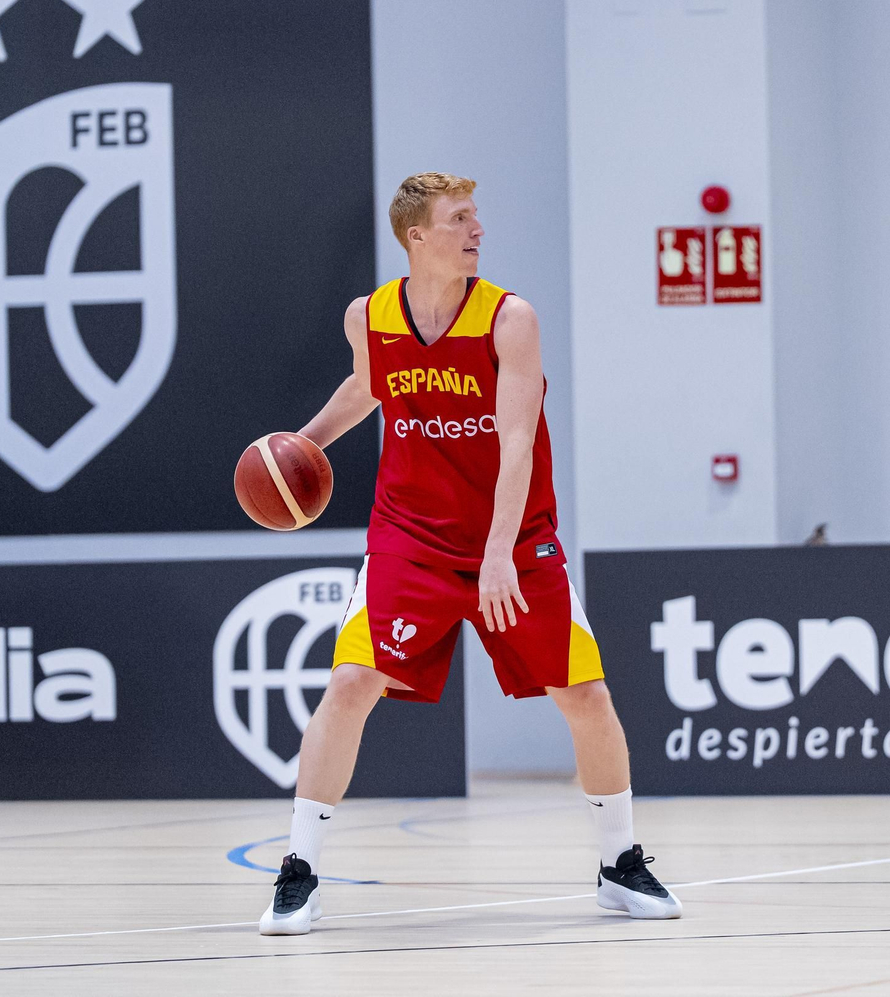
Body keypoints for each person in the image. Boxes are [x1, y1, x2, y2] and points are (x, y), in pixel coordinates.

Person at [259, 172, 682, 935]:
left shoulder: (508, 318)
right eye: (459, 220)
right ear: (416, 236)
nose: (476, 231)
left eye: (477, 218)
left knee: (585, 695)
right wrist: (303, 445)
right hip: (409, 537)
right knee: (352, 680)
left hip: (512, 538)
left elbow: (517, 439)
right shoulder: (370, 316)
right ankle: (299, 871)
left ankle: (620, 862)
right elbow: (370, 386)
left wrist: (496, 554)